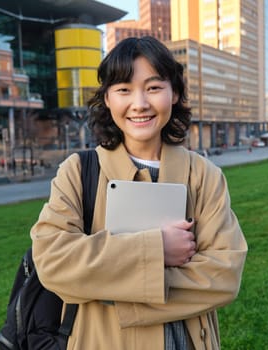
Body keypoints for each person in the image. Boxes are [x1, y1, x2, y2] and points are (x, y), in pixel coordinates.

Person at [30, 36, 247, 349]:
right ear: (107, 98)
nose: (140, 103)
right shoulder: (78, 171)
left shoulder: (205, 176)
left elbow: (224, 276)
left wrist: (113, 290)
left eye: (154, 87)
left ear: (174, 93)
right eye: (123, 90)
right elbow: (53, 263)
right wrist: (157, 249)